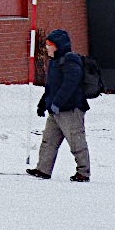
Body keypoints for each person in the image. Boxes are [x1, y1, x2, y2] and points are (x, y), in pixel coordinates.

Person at [28, 28, 91, 181]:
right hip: (55, 110)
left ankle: (83, 172)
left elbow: (70, 84)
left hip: (70, 110)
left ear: (58, 46)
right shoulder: (54, 62)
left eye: (49, 45)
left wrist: (57, 103)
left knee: (76, 142)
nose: (46, 48)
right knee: (48, 141)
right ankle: (43, 169)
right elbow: (52, 87)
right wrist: (43, 103)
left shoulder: (70, 60)